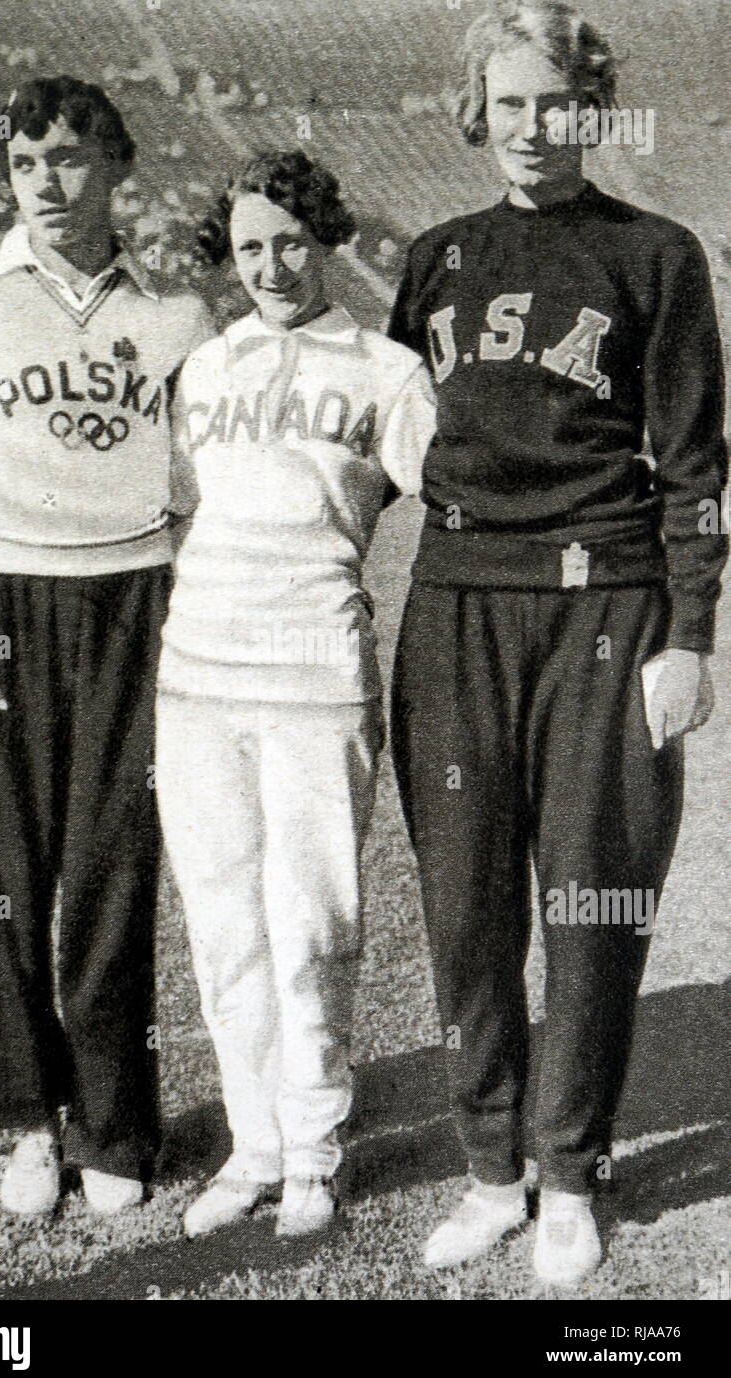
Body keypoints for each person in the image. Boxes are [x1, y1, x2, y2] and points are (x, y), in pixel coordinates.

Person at [388, 1, 727, 1285]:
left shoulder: (658, 257)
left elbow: (695, 468)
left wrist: (688, 636)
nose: (530, 129)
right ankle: (492, 1167)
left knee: (591, 899)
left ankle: (573, 1171)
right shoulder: (434, 261)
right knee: (466, 902)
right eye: (508, 104)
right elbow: (376, 448)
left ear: (590, 109)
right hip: (458, 603)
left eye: (554, 104)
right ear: (480, 111)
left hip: (604, 604)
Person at [0, 75, 213, 1218]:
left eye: (71, 159)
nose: (48, 183)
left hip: (132, 609)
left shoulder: (177, 316)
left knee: (112, 872)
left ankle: (116, 1119)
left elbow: (199, 489)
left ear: (116, 166)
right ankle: (28, 1120)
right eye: (27, 164)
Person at [155, 150, 436, 1240]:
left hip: (318, 673)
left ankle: (314, 1150)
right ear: (226, 256)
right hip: (198, 678)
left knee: (310, 922)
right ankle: (255, 1143)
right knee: (224, 925)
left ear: (322, 239)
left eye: (288, 240)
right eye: (248, 246)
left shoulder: (385, 369)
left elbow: (459, 498)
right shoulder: (208, 368)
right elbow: (178, 511)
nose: (271, 263)